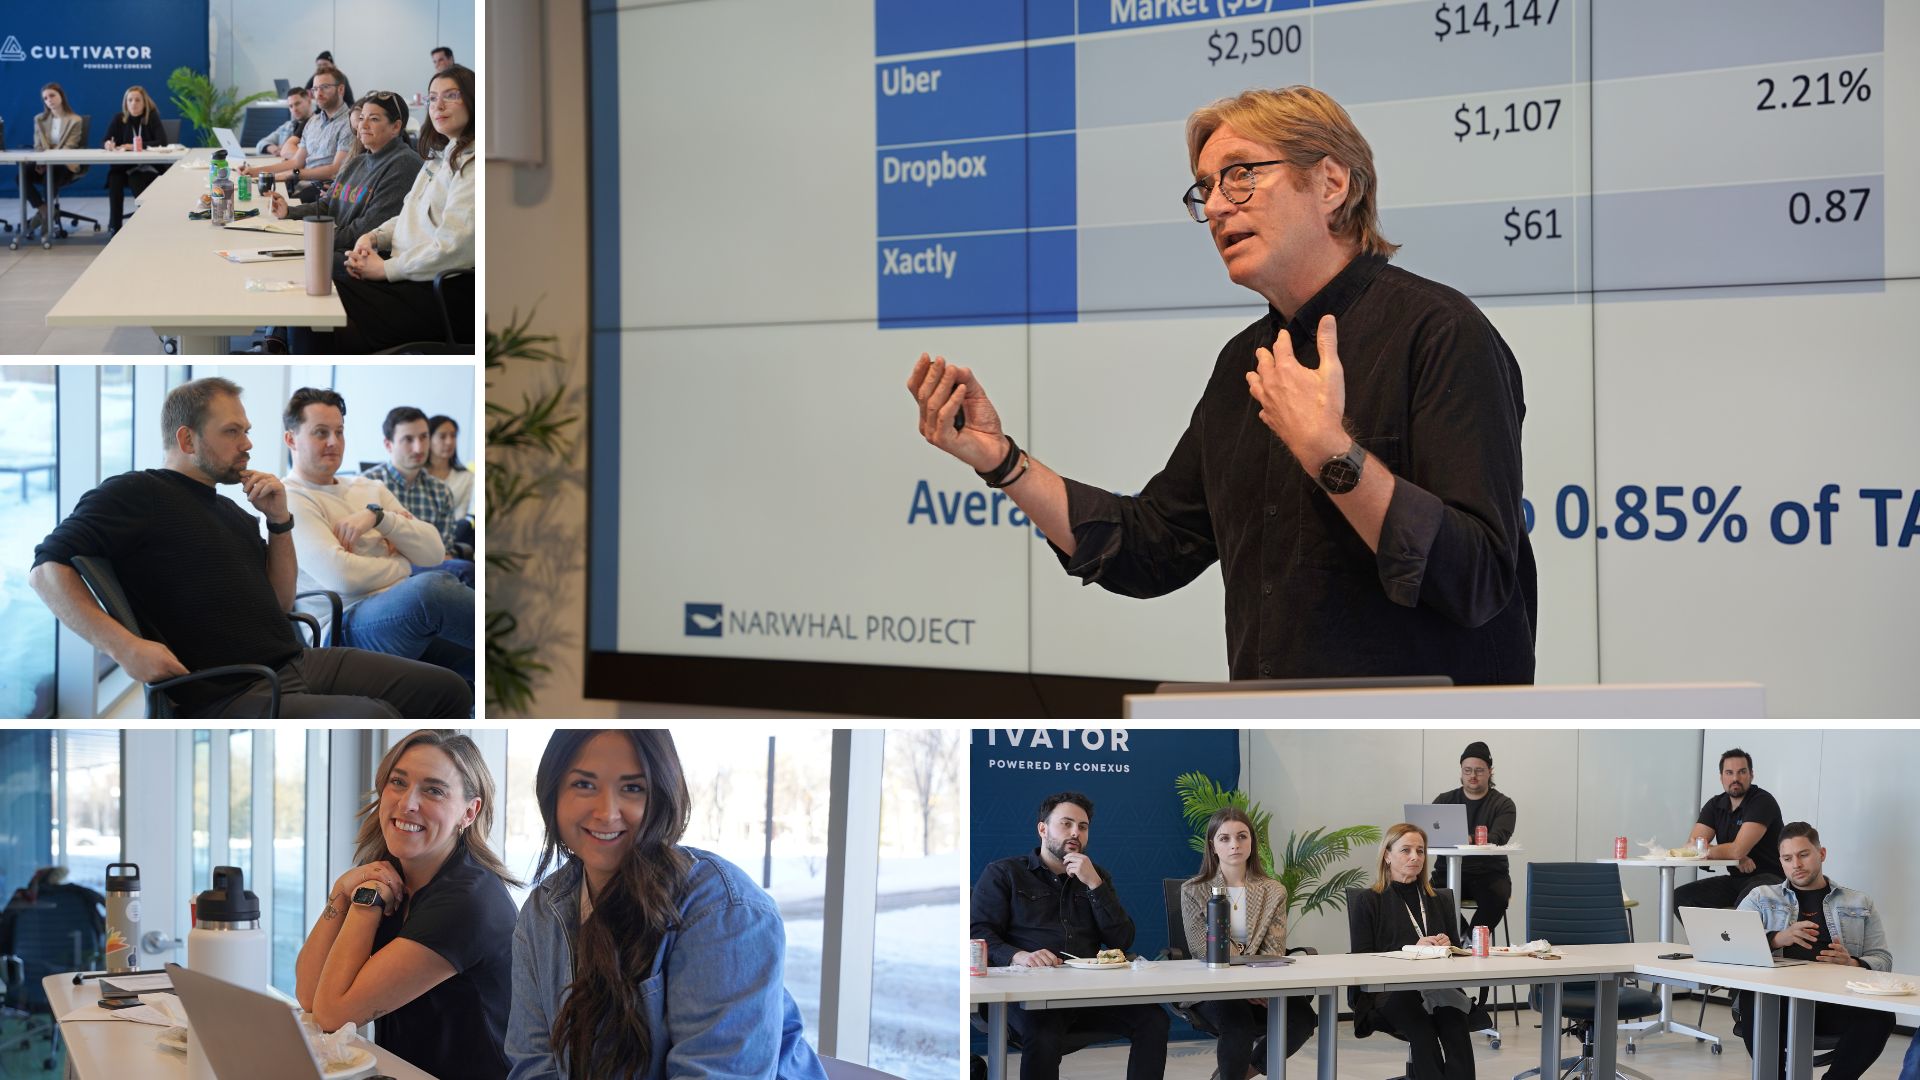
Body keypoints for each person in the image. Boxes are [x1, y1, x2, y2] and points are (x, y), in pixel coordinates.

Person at [907, 85, 1534, 684]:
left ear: (1330, 183)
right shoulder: (1244, 364)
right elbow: (1151, 547)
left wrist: (1331, 455)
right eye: (1204, 188)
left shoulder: (1443, 334)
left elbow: (1477, 579)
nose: (1214, 207)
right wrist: (1003, 460)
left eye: (1241, 174)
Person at [28, 377, 470, 719]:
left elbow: (280, 601)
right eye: (232, 432)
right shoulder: (136, 492)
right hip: (233, 687)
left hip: (296, 660)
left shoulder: (233, 509)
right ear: (187, 440)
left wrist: (278, 521)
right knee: (378, 715)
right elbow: (46, 570)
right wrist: (123, 647)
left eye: (247, 430)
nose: (248, 444)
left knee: (451, 690)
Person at [506, 730, 828, 1079]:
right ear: (553, 793)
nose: (606, 812)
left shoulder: (724, 911)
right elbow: (533, 1066)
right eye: (584, 785)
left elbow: (714, 1072)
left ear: (661, 795)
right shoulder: (544, 911)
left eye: (633, 788)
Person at [296, 731, 518, 1079]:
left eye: (433, 790)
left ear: (469, 812)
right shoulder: (391, 871)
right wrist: (341, 891)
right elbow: (309, 995)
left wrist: (366, 900)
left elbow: (331, 1014)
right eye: (398, 782)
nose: (407, 803)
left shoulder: (469, 902)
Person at [280, 388, 474, 682]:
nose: (334, 442)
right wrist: (402, 563)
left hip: (397, 610)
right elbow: (343, 576)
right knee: (431, 590)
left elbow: (432, 551)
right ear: (291, 439)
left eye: (339, 432)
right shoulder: (290, 496)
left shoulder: (369, 488)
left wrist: (380, 518)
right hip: (343, 626)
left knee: (471, 663)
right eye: (321, 433)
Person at [971, 792, 1168, 1080]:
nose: (1075, 832)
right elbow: (978, 932)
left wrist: (1094, 885)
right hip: (1028, 998)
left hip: (1084, 993)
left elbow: (1122, 940)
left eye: (1083, 826)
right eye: (1066, 824)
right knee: (1044, 1033)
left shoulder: (1096, 876)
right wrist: (1020, 955)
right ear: (1043, 829)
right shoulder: (1005, 873)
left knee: (1153, 1019)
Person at [295, 64, 475, 352]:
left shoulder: (473, 165)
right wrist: (373, 237)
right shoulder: (438, 159)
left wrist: (385, 269)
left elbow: (453, 248)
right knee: (313, 275)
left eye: (451, 96)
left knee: (316, 285)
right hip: (408, 277)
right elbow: (406, 214)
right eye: (432, 97)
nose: (438, 105)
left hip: (435, 293)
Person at [1732, 822, 1894, 1079]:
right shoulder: (1761, 897)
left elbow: (1883, 960)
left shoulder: (1859, 902)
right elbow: (1731, 947)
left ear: (1822, 854)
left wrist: (1853, 964)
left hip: (1835, 1003)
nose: (1796, 864)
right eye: (1788, 858)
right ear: (1781, 862)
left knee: (1881, 1017)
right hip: (1776, 1003)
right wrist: (1776, 939)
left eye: (1803, 854)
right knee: (1755, 998)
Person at [1179, 807, 1316, 1078]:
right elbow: (1202, 947)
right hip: (1212, 984)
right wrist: (1246, 985)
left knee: (1302, 1019)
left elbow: (1274, 949)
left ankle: (1241, 1074)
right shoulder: (1194, 890)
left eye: (1242, 837)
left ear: (1252, 842)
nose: (1235, 845)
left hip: (1261, 983)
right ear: (1213, 846)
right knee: (1238, 1023)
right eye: (1225, 838)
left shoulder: (1273, 890)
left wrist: (1258, 985)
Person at [1347, 823, 1475, 1080]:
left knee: (1456, 1029)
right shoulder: (1369, 900)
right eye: (1405, 850)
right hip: (1389, 989)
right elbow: (1363, 959)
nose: (1415, 857)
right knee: (1423, 1031)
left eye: (1420, 850)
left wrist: (1447, 946)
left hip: (1438, 986)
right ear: (1387, 855)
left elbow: (1458, 953)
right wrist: (1411, 951)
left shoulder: (1439, 900)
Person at [271, 91, 422, 259]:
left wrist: (319, 238)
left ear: (395, 127)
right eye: (361, 118)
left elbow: (369, 227)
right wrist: (289, 212)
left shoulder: (404, 164)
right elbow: (328, 205)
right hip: (338, 245)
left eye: (373, 119)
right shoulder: (358, 162)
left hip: (365, 257)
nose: (363, 125)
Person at [1673, 748, 1785, 910]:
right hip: (1737, 879)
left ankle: (1748, 936)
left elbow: (1735, 850)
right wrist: (1734, 854)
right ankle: (1709, 937)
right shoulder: (1715, 805)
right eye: (1729, 773)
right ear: (1721, 777)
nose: (1735, 778)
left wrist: (1731, 853)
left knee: (1748, 899)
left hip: (1770, 879)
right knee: (1681, 898)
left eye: (1742, 772)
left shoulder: (1762, 802)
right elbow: (1690, 846)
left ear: (1751, 775)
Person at [1430, 740, 1516, 939]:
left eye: (1479, 770)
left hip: (1489, 874)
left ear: (1490, 772)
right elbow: (1429, 835)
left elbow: (1498, 837)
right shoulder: (1444, 801)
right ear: (1461, 771)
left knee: (1499, 896)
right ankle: (1458, 937)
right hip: (1447, 871)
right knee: (1428, 895)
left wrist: (1464, 838)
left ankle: (1472, 940)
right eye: (1467, 770)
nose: (1473, 776)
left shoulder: (1503, 804)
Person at [363, 406, 469, 560]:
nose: (419, 448)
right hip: (383, 570)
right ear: (388, 445)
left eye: (424, 437)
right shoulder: (366, 484)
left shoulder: (441, 492)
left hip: (430, 569)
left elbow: (443, 551)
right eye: (408, 439)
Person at [241, 66, 353, 190]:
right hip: (299, 184)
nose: (318, 94)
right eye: (315, 89)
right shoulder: (313, 122)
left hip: (322, 191)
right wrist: (255, 172)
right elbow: (296, 162)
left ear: (341, 89)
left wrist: (295, 173)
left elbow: (335, 170)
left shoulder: (349, 123)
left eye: (325, 87)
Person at [102, 85, 168, 233]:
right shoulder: (119, 118)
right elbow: (106, 140)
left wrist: (134, 146)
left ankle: (146, 226)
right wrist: (108, 144)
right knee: (114, 181)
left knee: (137, 179)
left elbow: (162, 142)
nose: (133, 103)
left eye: (137, 100)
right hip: (123, 167)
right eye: (129, 100)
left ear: (144, 102)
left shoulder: (151, 117)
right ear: (125, 103)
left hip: (146, 167)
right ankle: (115, 227)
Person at [27, 83, 88, 238]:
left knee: (54, 170)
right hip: (45, 164)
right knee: (21, 175)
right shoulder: (39, 119)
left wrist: (48, 161)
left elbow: (70, 147)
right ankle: (44, 209)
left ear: (61, 96)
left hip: (65, 165)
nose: (49, 100)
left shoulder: (75, 120)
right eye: (45, 98)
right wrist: (41, 161)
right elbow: (38, 146)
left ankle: (45, 215)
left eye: (52, 95)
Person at [426, 414, 475, 520]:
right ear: (428, 439)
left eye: (453, 436)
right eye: (442, 436)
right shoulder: (416, 473)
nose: (449, 442)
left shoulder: (467, 477)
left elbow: (462, 516)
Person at [255, 85, 311, 156]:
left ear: (309, 101)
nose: (294, 109)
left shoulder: (318, 125)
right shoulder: (287, 126)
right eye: (291, 106)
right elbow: (260, 144)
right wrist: (272, 148)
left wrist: (286, 149)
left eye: (297, 104)